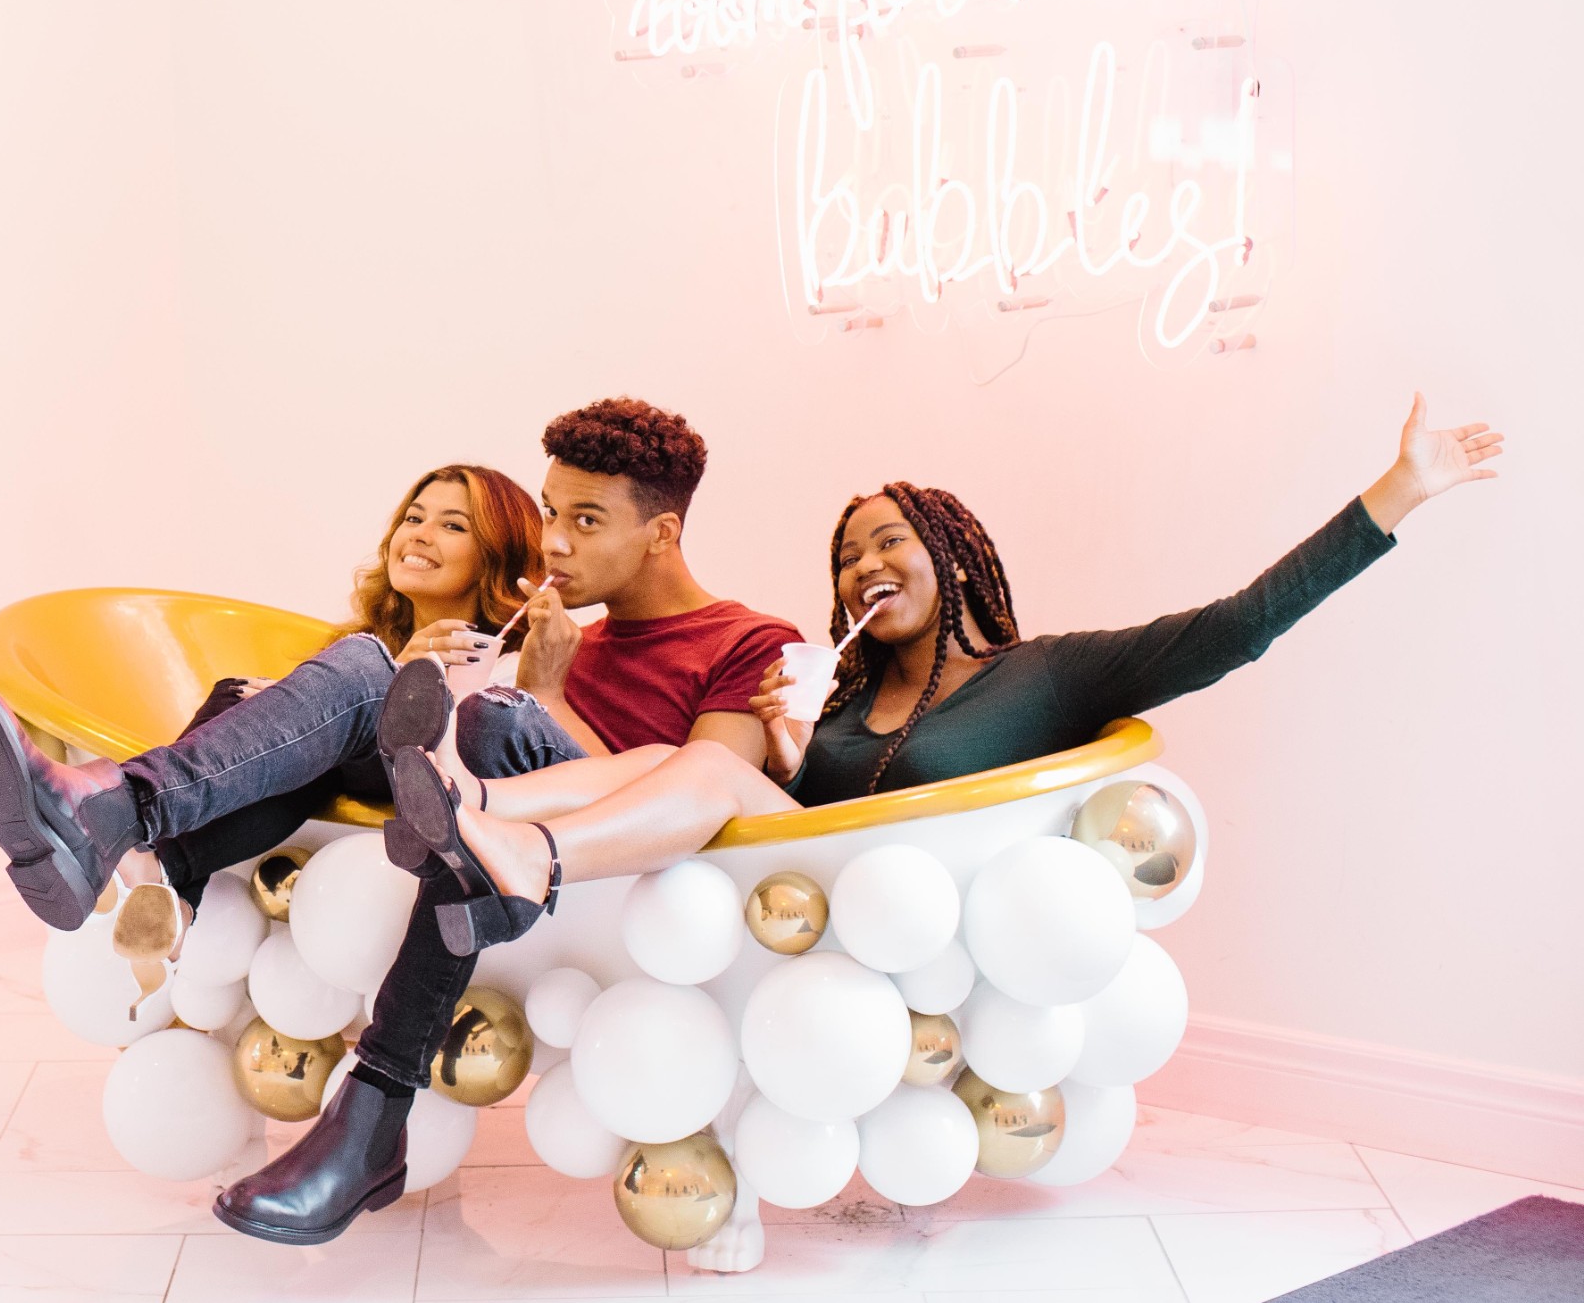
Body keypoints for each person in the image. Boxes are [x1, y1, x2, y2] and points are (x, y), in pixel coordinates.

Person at [401, 393, 1503, 941]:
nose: (865, 565)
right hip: (802, 905)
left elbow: (1239, 625)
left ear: (955, 554)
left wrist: (1397, 493)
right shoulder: (836, 696)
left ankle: (527, 846)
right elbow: (785, 813)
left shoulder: (1048, 676)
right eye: (847, 554)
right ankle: (472, 808)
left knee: (701, 762)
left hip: (920, 924)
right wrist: (790, 752)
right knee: (691, 758)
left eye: (891, 541)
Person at [209, 400, 805, 1245]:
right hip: (497, 899)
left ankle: (371, 1112)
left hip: (639, 905)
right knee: (318, 693)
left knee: (491, 721)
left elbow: (709, 801)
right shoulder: (561, 638)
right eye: (551, 512)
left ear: (661, 534)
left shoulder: (748, 640)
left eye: (586, 520)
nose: (552, 542)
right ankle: (155, 846)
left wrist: (547, 697)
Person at [0, 462, 545, 957]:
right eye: (413, 517)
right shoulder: (367, 643)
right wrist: (295, 705)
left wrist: (400, 679)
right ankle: (167, 884)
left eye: (452, 526)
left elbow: (489, 744)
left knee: (358, 669)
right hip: (347, 765)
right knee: (240, 693)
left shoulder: (515, 654)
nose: (420, 534)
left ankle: (127, 827)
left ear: (496, 554)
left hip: (432, 790)